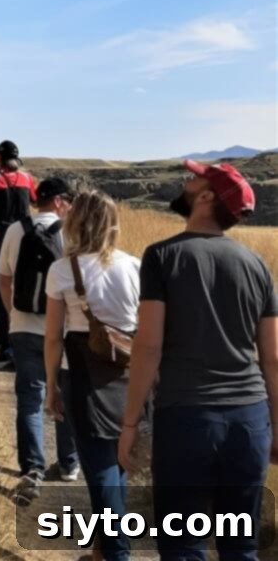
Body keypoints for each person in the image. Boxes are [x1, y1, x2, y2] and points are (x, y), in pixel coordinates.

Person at [118, 161, 278, 561]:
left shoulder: (162, 257)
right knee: (241, 545)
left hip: (186, 418)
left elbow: (148, 347)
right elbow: (272, 357)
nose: (185, 182)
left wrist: (130, 424)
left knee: (183, 544)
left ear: (206, 197)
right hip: (249, 420)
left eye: (194, 179)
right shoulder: (257, 266)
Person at [44, 190, 140, 561]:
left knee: (100, 476)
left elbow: (53, 337)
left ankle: (117, 554)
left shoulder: (62, 270)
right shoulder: (134, 266)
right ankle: (104, 552)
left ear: (75, 223)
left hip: (83, 381)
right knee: (118, 467)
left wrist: (50, 386)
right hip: (130, 379)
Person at [0, 177, 79, 501]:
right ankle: (69, 464)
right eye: (69, 200)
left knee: (31, 399)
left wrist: (13, 315)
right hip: (62, 331)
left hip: (24, 327)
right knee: (64, 396)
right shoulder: (71, 232)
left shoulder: (15, 230)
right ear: (59, 201)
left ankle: (32, 468)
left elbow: (4, 278)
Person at [0, 140, 37, 368]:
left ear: (0, 158)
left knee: (0, 290)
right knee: (23, 289)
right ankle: (25, 344)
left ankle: (6, 346)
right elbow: (34, 202)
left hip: (3, 239)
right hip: (26, 239)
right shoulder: (27, 178)